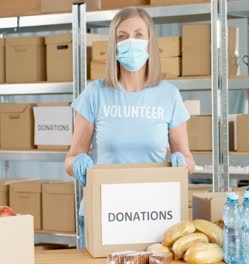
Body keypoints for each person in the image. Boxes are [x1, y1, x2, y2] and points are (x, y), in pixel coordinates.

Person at [64, 7, 195, 246]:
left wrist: (181, 162)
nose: (130, 42)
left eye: (138, 34)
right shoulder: (94, 94)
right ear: (113, 44)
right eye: (122, 36)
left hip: (153, 214)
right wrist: (78, 164)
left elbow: (187, 159)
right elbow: (71, 158)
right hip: (103, 211)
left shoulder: (169, 95)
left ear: (149, 42)